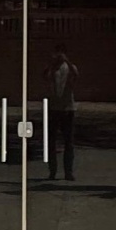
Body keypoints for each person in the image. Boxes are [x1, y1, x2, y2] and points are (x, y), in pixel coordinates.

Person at [47, 47, 79, 181]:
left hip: (67, 108)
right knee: (51, 141)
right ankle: (52, 171)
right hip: (54, 108)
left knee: (68, 142)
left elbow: (76, 76)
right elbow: (45, 76)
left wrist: (68, 62)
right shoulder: (52, 69)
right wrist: (52, 64)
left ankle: (68, 171)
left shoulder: (70, 68)